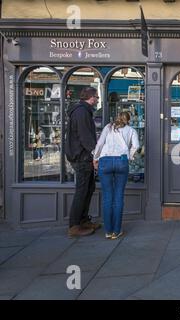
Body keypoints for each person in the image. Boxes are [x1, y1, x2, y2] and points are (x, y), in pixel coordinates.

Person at [93, 112, 139, 240]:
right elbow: (136, 146)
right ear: (128, 120)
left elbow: (100, 144)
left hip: (105, 161)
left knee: (108, 197)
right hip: (121, 161)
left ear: (117, 118)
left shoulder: (108, 127)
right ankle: (116, 231)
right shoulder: (131, 130)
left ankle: (108, 231)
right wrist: (129, 156)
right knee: (118, 197)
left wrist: (95, 158)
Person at [65, 87, 102, 237]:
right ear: (91, 98)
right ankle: (74, 225)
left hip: (83, 156)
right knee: (82, 190)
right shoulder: (82, 112)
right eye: (97, 97)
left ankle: (84, 220)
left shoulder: (83, 111)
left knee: (89, 188)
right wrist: (96, 155)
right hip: (82, 157)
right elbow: (85, 137)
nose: (98, 100)